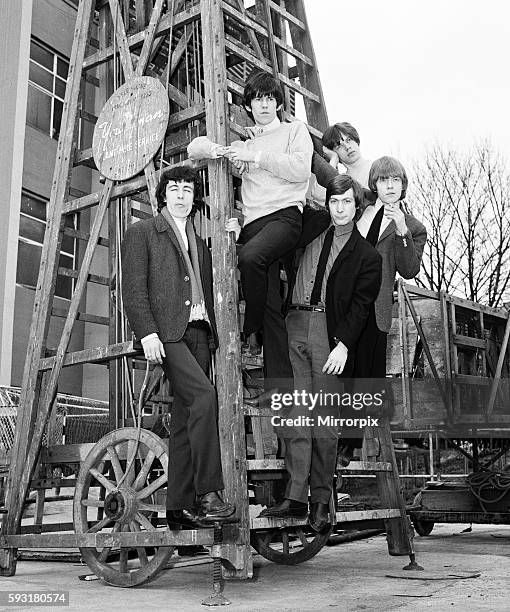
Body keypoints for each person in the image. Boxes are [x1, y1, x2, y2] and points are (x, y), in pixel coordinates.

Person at [258, 174, 382, 532]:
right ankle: (295, 497)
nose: (339, 208)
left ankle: (321, 501)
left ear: (357, 207)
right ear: (327, 204)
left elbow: (360, 306)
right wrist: (243, 230)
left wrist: (343, 345)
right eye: (334, 201)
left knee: (324, 423)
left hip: (329, 335)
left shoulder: (367, 256)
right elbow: (276, 230)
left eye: (346, 202)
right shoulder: (310, 229)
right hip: (293, 323)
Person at [121, 165, 235, 530]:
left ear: (194, 197)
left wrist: (234, 234)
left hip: (199, 332)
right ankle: (208, 494)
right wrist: (147, 333)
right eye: (174, 188)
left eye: (188, 189)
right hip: (167, 334)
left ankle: (179, 509)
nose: (182, 194)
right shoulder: (143, 233)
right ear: (163, 195)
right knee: (204, 397)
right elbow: (134, 290)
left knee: (187, 421)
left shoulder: (197, 240)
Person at [188, 71, 313, 389]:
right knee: (272, 309)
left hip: (285, 218)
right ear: (249, 105)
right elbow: (195, 148)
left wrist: (255, 157)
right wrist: (223, 152)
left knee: (251, 258)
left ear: (279, 103)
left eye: (270, 98)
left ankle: (250, 331)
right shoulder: (243, 142)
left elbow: (300, 169)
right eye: (257, 99)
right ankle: (281, 390)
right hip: (253, 224)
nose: (264, 105)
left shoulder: (293, 131)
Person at [355, 156, 427, 381]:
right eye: (383, 180)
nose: (390, 185)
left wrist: (401, 230)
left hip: (375, 310)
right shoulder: (357, 210)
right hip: (344, 303)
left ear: (403, 184)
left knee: (370, 382)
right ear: (374, 184)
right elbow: (331, 178)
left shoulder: (413, 227)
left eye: (396, 179)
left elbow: (409, 270)